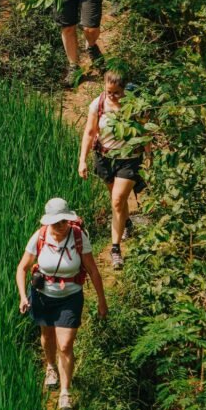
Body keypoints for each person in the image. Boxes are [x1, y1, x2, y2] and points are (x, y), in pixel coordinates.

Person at [16, 198, 107, 410]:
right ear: (48, 222)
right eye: (56, 223)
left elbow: (93, 270)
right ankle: (50, 367)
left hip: (70, 297)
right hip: (42, 296)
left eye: (64, 221)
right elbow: (22, 268)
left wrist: (102, 300)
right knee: (47, 336)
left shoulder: (78, 237)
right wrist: (22, 296)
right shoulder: (39, 237)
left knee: (65, 345)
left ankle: (65, 394)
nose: (61, 226)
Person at [78, 69, 147, 270]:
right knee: (117, 200)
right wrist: (82, 160)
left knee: (117, 200)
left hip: (129, 158)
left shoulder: (135, 106)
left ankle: (115, 250)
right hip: (105, 157)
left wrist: (149, 156)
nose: (112, 96)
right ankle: (127, 224)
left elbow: (146, 131)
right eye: (109, 91)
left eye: (116, 92)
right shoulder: (97, 104)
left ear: (125, 90)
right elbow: (90, 132)